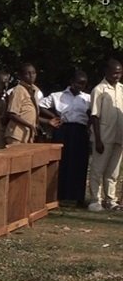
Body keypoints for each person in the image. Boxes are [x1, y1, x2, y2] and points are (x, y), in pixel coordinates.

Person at [40, 71, 90, 206]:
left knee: (79, 163)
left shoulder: (87, 98)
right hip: (63, 129)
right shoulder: (57, 96)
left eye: (84, 83)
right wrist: (53, 116)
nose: (81, 86)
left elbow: (94, 114)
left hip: (80, 130)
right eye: (79, 82)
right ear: (71, 81)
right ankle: (58, 195)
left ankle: (78, 197)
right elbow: (40, 105)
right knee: (61, 162)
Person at [87, 59, 123, 211]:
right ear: (107, 72)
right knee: (98, 169)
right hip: (103, 136)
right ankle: (95, 199)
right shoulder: (99, 90)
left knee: (113, 172)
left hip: (119, 136)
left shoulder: (121, 88)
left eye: (120, 72)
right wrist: (98, 139)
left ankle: (111, 200)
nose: (117, 75)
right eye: (114, 72)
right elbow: (94, 116)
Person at [5, 63, 40, 145]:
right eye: (27, 73)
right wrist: (29, 125)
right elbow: (12, 114)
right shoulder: (19, 90)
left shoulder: (34, 90)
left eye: (33, 73)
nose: (31, 76)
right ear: (21, 76)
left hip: (27, 135)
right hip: (16, 134)